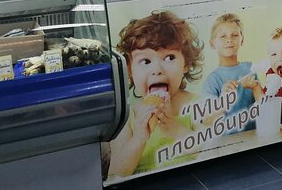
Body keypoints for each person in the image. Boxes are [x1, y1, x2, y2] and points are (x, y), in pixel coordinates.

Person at [108, 11, 204, 178]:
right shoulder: (127, 117)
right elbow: (116, 173)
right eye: (145, 61)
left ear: (186, 64)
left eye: (169, 58)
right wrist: (139, 138)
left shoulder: (197, 105)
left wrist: (175, 129)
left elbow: (214, 149)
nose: (157, 70)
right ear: (130, 70)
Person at [203, 12, 262, 132]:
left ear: (242, 40)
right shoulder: (212, 80)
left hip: (254, 137)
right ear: (212, 43)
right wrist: (223, 101)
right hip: (228, 141)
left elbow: (264, 106)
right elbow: (207, 121)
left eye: (234, 35)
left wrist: (256, 88)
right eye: (223, 36)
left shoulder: (250, 69)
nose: (229, 40)